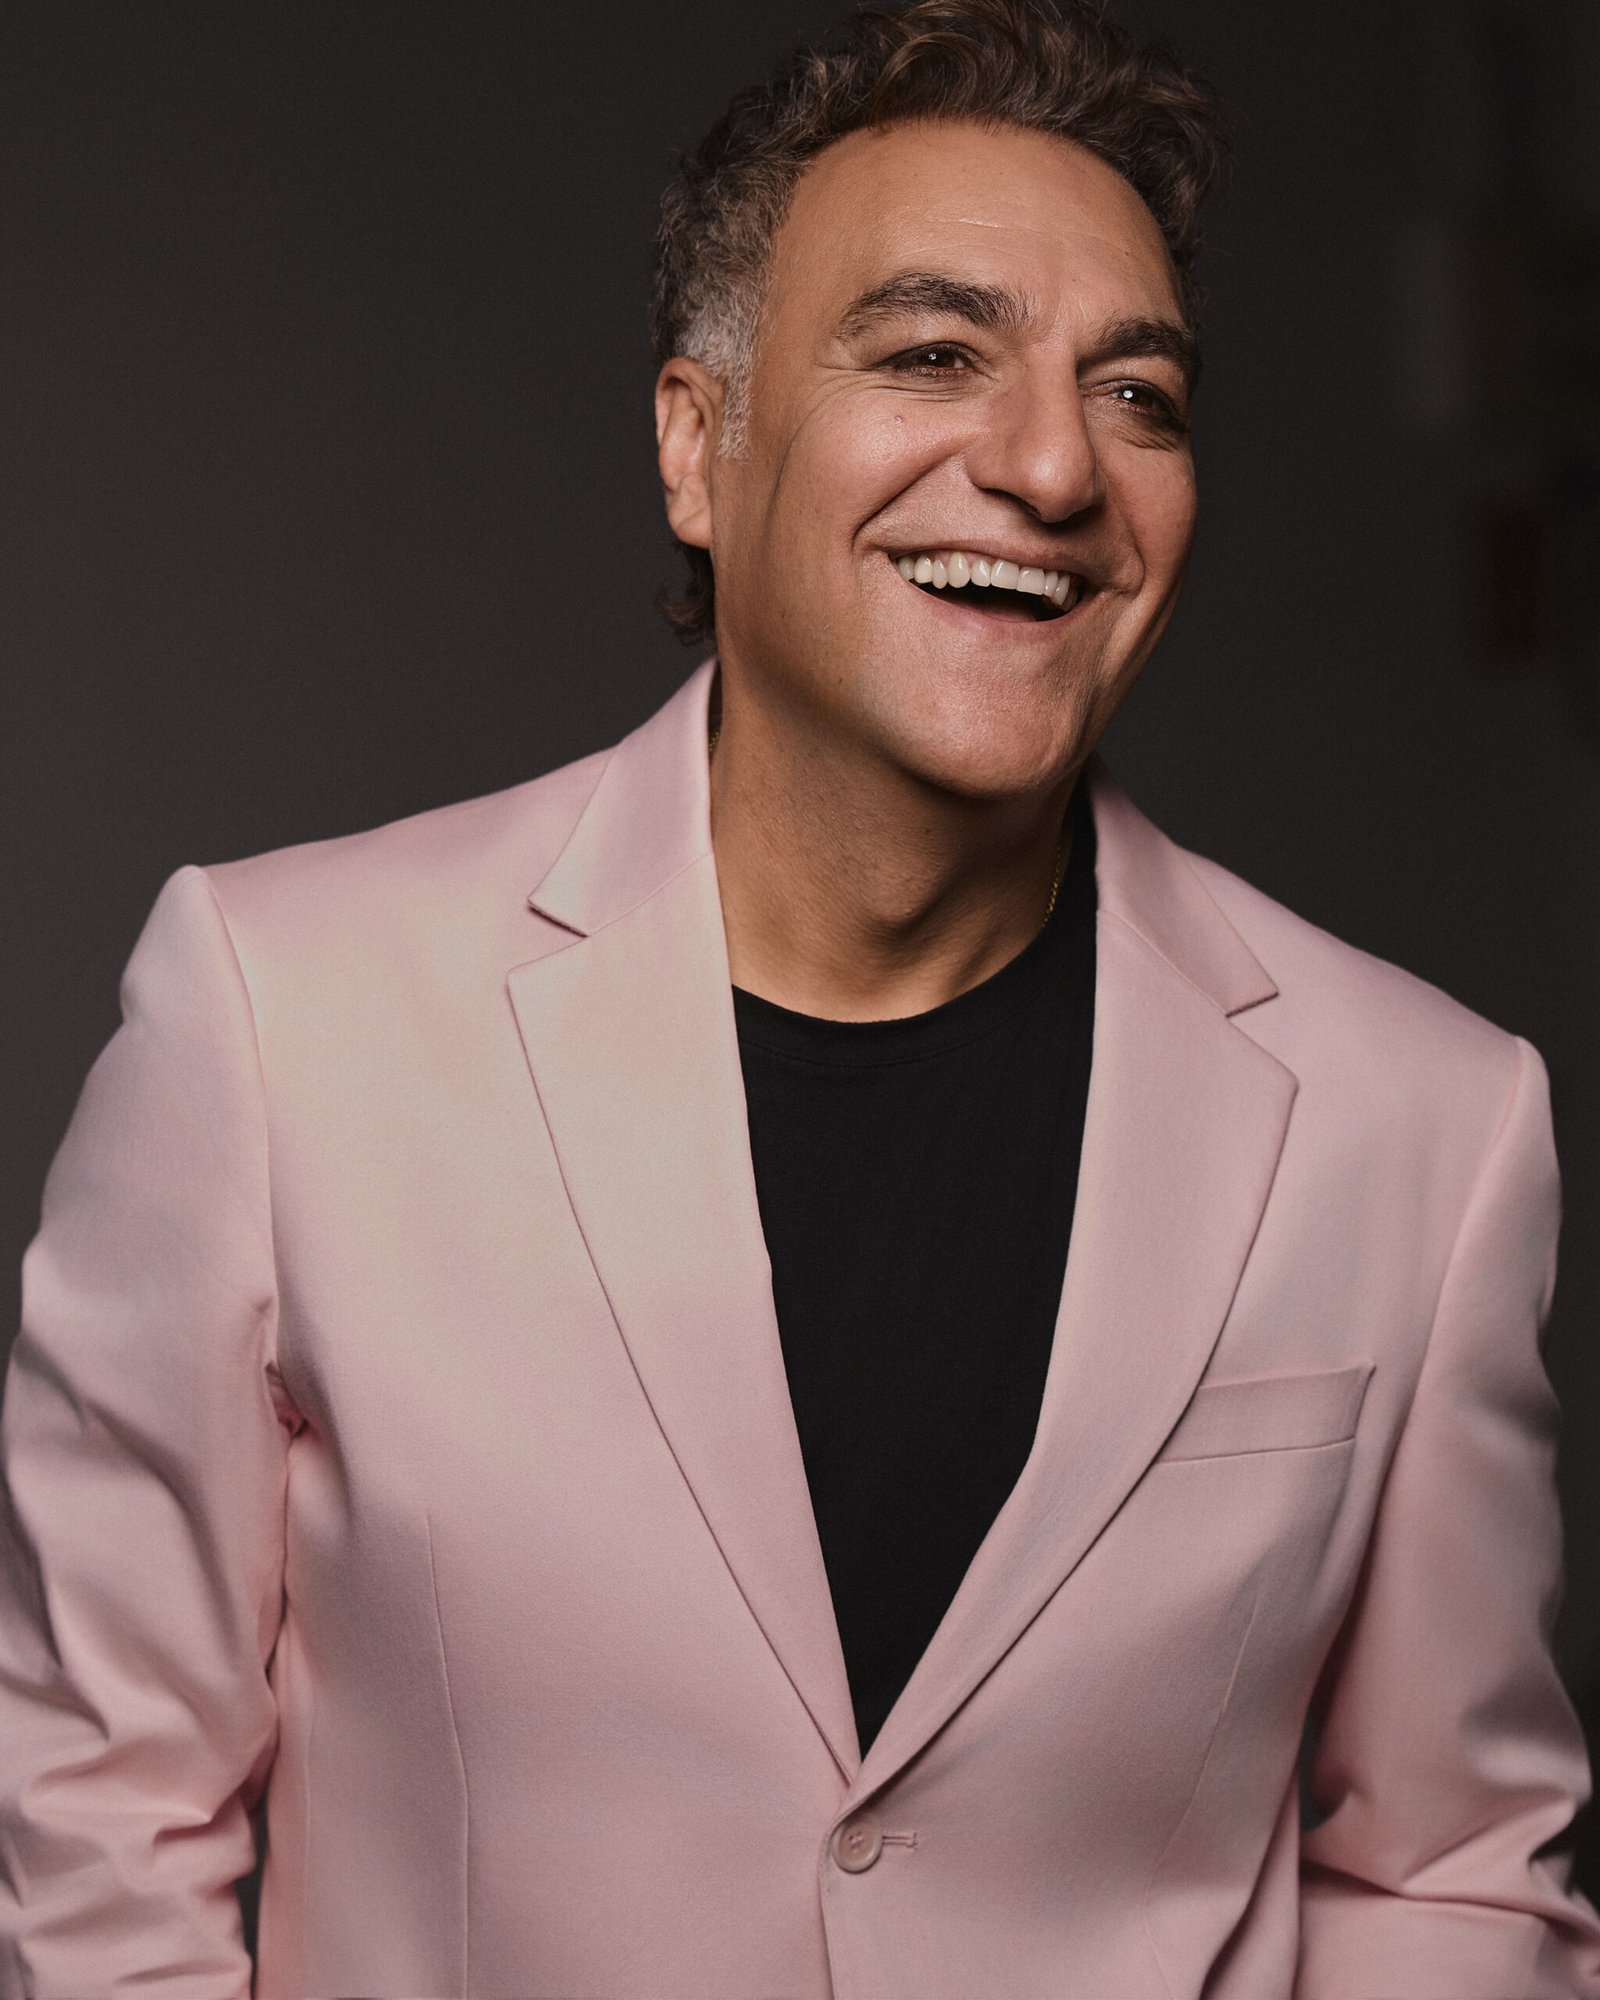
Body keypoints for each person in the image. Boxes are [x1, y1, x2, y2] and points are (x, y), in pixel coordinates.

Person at [2, 0, 1597, 1993]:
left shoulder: (1424, 1122)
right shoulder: (278, 1014)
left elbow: (1453, 1868)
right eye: (932, 354)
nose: (1050, 463)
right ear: (699, 444)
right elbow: (98, 1814)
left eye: (1136, 393)